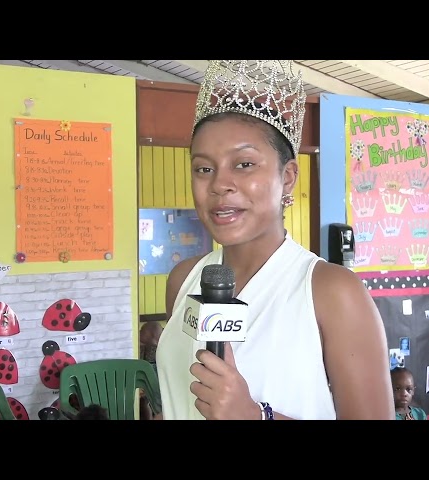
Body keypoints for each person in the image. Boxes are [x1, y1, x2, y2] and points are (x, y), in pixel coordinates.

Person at [155, 60, 394, 420]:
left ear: (288, 177)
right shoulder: (183, 280)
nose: (219, 184)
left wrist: (254, 415)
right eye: (204, 168)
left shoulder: (331, 291)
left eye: (244, 164)